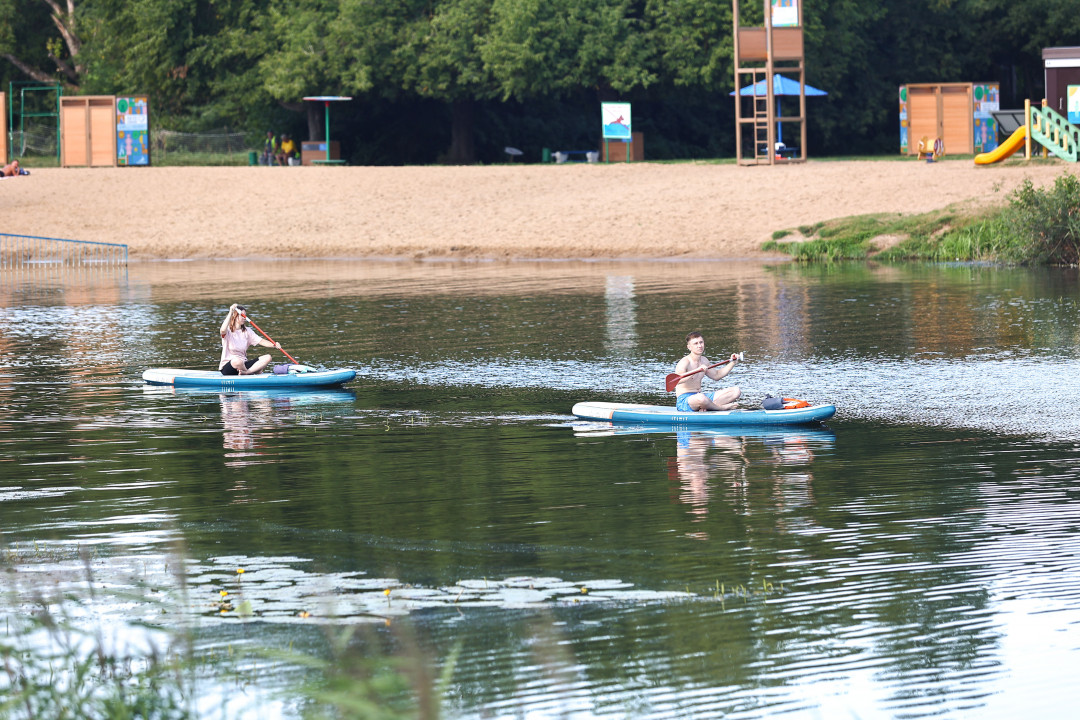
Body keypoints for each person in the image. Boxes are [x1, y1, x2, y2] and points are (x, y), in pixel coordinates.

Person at [673, 331, 741, 411]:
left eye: (701, 342)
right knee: (701, 398)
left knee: (736, 391)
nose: (699, 346)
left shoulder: (704, 361)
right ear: (689, 347)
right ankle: (720, 408)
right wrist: (696, 371)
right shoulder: (684, 362)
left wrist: (732, 363)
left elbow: (717, 375)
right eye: (696, 343)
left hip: (700, 396)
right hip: (685, 400)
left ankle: (707, 407)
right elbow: (678, 380)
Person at [219, 304, 281, 375]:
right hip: (229, 367)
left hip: (243, 364)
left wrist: (274, 344)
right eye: (242, 315)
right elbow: (222, 330)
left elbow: (261, 341)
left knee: (268, 357)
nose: (244, 318)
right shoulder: (228, 331)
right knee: (237, 361)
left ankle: (247, 372)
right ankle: (252, 372)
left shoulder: (247, 331)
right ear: (235, 316)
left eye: (245, 315)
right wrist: (230, 311)